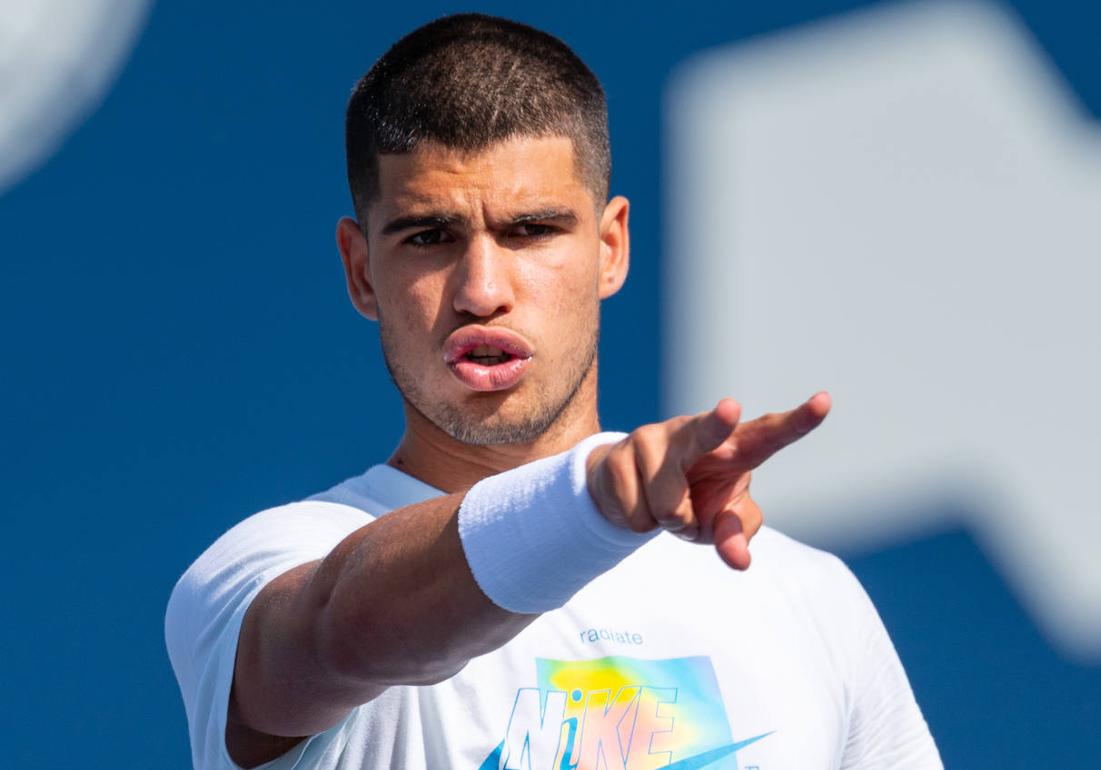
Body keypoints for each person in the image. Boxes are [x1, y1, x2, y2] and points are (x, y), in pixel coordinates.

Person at [164, 12, 942, 770]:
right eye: (428, 237)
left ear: (610, 249)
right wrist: (589, 498)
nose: (481, 289)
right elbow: (340, 630)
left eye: (530, 231)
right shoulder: (267, 563)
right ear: (362, 270)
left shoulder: (809, 599)